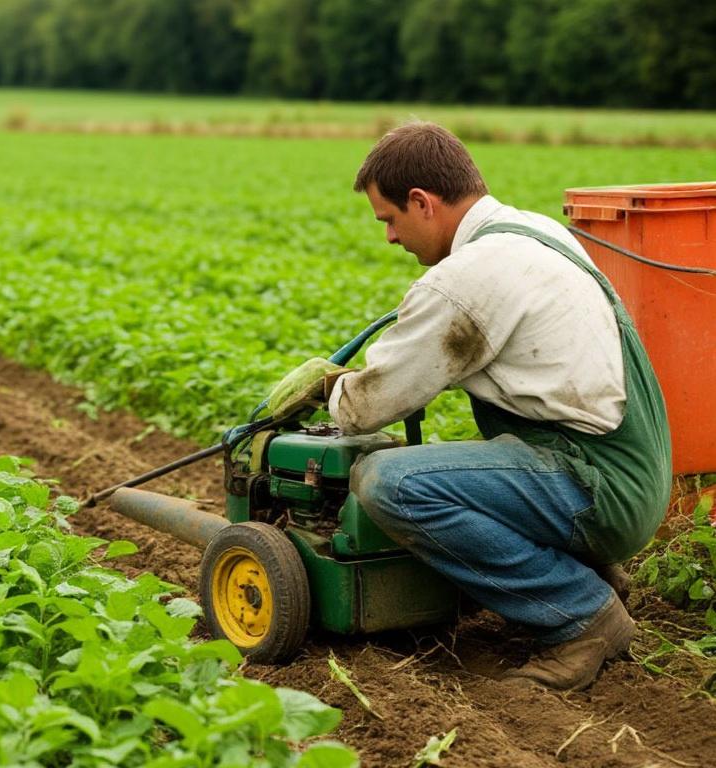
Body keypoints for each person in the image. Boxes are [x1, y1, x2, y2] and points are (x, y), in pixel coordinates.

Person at [267, 122, 671, 691]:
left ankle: (581, 614)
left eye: (389, 219)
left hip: (597, 485)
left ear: (421, 202)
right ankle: (592, 573)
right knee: (475, 460)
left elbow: (366, 407)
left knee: (391, 483)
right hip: (635, 472)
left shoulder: (468, 279)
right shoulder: (534, 233)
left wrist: (328, 387)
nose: (389, 237)